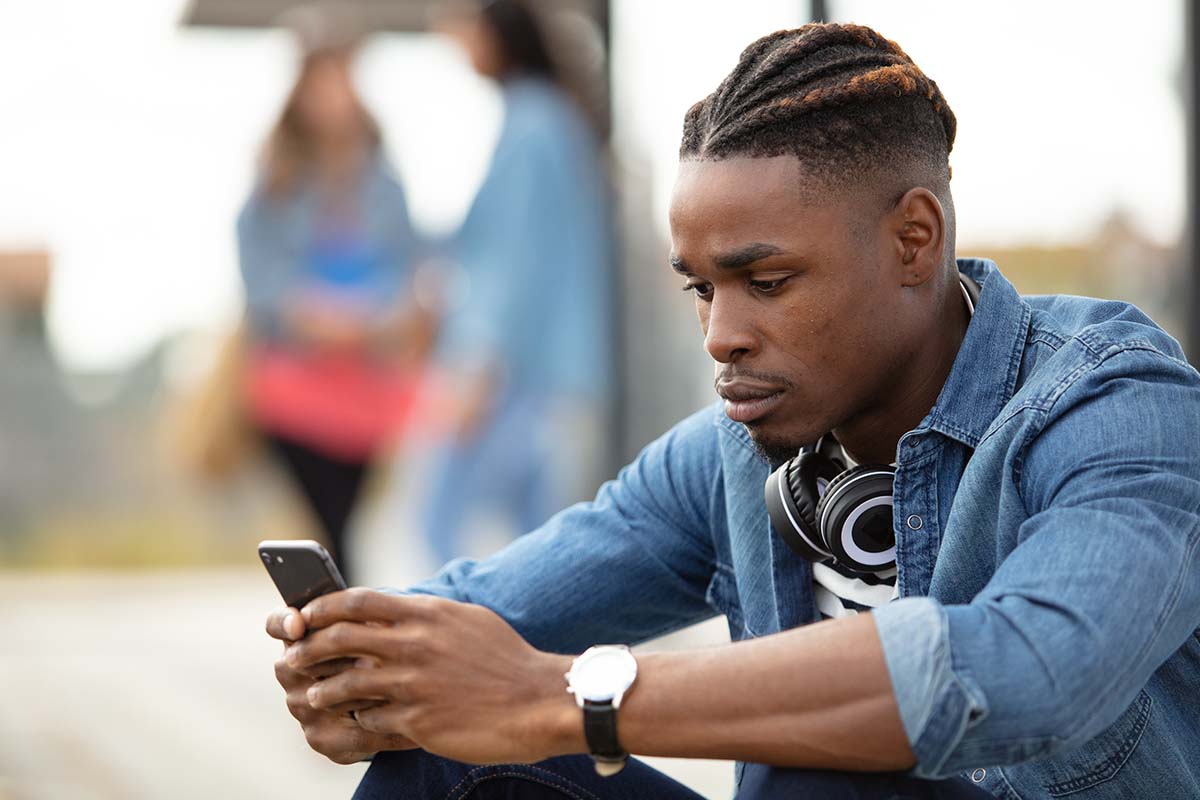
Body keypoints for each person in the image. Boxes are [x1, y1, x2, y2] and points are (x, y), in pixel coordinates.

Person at [265, 23, 1200, 799]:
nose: (722, 334)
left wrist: (568, 695)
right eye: (703, 290)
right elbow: (485, 616)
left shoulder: (1116, 405)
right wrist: (372, 662)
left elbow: (1030, 668)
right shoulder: (732, 449)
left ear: (915, 240)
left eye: (767, 280)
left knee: (827, 765)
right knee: (440, 756)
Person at [413, 0, 614, 565]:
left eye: (465, 28)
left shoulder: (533, 125)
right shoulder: (547, 119)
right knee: (537, 538)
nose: (455, 41)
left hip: (511, 373)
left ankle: (449, 648)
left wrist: (478, 360)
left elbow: (519, 260)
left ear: (497, 34)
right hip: (542, 373)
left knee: (437, 520)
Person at [238, 27, 429, 582]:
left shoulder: (383, 182)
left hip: (367, 386)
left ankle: (339, 621)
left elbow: (408, 269)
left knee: (346, 523)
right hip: (294, 388)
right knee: (329, 523)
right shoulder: (275, 178)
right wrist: (313, 318)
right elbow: (262, 281)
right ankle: (338, 622)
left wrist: (367, 322)